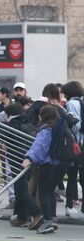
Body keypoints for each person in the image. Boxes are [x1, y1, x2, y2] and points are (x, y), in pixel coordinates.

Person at [23, 105, 70, 234]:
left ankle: (48, 222)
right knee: (51, 192)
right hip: (60, 165)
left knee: (44, 192)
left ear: (43, 116)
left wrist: (29, 158)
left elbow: (39, 146)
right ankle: (52, 219)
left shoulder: (46, 129)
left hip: (47, 165)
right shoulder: (61, 126)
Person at [62, 81, 84, 219]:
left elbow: (75, 124)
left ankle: (69, 206)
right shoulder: (82, 102)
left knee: (71, 176)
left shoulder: (71, 104)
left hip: (75, 145)